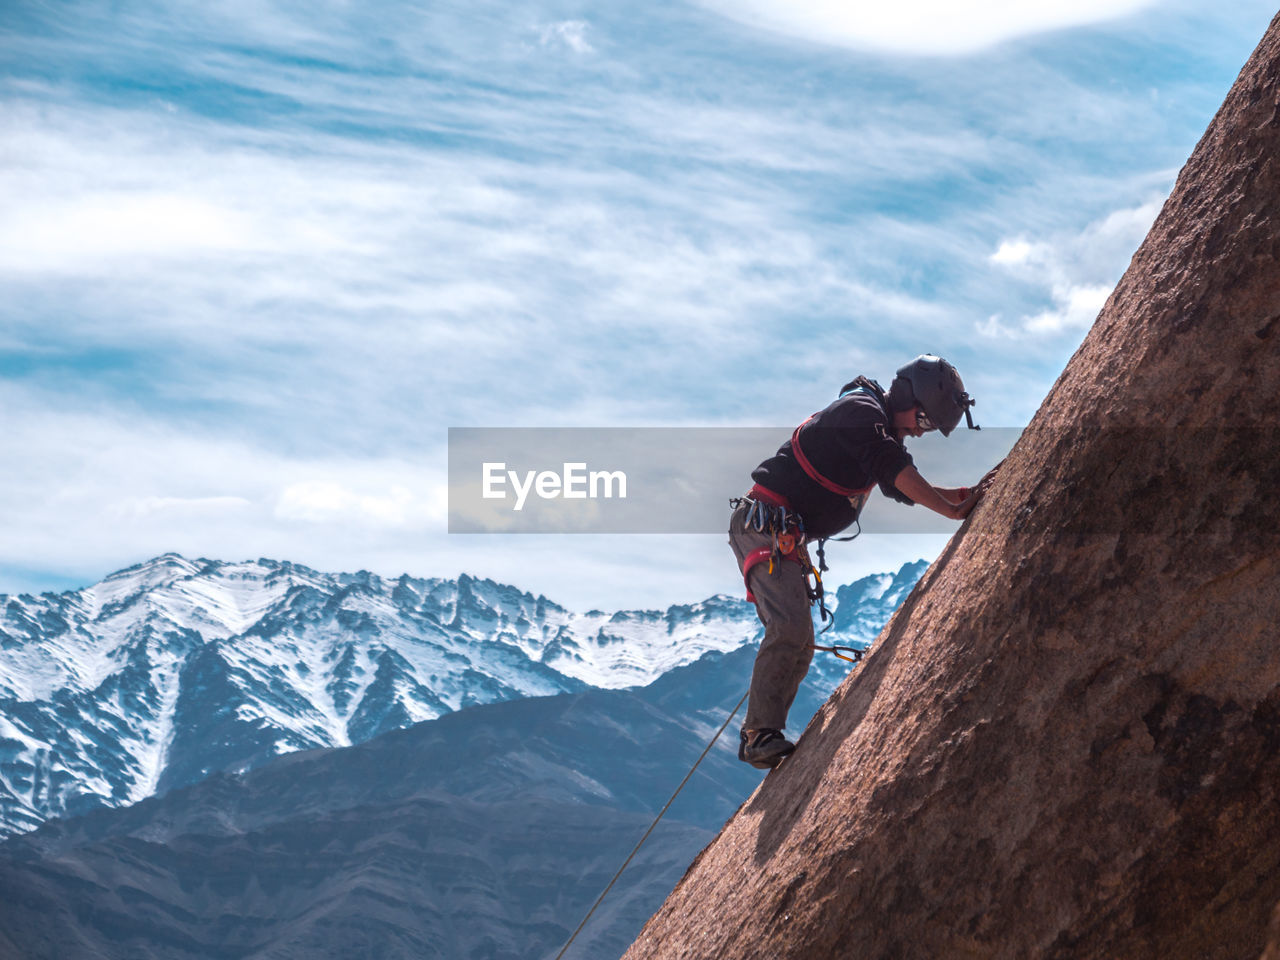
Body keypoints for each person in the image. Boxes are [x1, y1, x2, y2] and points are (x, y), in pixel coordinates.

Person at [729, 354, 994, 769]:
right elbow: (896, 470)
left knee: (800, 645)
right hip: (762, 526)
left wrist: (961, 495)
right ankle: (758, 734)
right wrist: (949, 510)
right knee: (791, 627)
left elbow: (898, 484)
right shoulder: (859, 412)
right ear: (908, 396)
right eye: (922, 422)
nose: (919, 434)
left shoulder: (875, 427)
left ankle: (763, 732)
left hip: (779, 533)